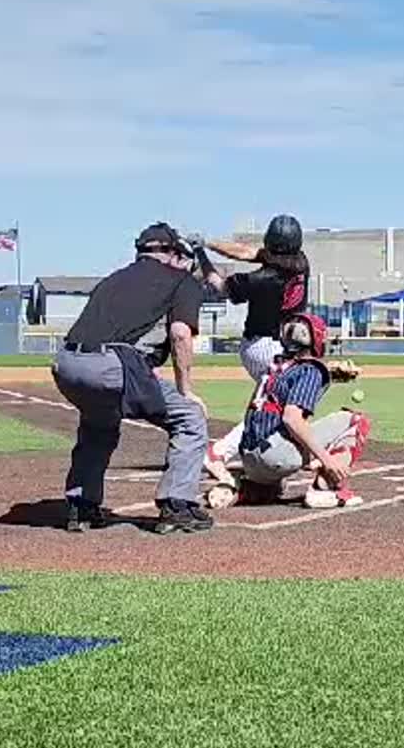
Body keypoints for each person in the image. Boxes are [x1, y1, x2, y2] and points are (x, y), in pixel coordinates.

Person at [52, 223, 212, 535]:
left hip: (66, 364)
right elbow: (180, 335)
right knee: (189, 417)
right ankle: (177, 505)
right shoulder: (182, 281)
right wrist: (185, 390)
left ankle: (81, 506)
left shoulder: (113, 279)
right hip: (109, 365)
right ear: (172, 253)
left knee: (100, 422)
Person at [199, 214, 310, 481]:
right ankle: (220, 453)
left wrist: (201, 254)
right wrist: (209, 244)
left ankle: (235, 451)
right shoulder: (301, 262)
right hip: (267, 348)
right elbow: (248, 253)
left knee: (269, 407)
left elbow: (219, 285)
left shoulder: (260, 278)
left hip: (265, 346)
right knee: (278, 407)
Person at [238, 312, 370, 510]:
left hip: (249, 458)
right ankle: (324, 489)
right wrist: (325, 459)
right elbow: (292, 419)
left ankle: (256, 488)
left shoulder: (275, 365)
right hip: (274, 457)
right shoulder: (310, 370)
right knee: (356, 421)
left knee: (277, 484)